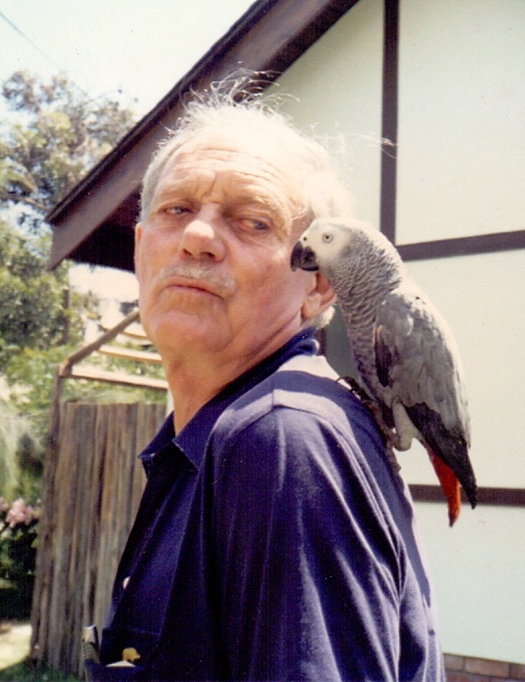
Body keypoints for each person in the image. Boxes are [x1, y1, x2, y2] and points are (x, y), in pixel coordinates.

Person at [85, 82, 444, 681]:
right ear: (142, 249)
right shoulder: (209, 439)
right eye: (176, 211)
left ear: (319, 286)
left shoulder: (280, 439)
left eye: (252, 222)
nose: (198, 237)